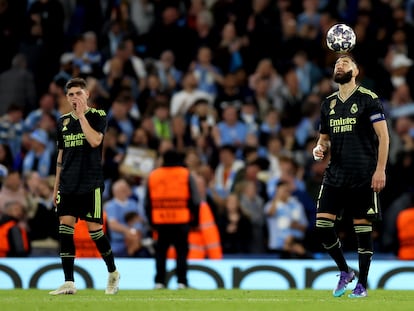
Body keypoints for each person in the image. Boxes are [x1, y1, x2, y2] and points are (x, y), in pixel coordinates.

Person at [312, 54, 389, 298]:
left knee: (362, 230)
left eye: (345, 63)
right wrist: (319, 148)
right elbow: (323, 138)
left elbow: (384, 137)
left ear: (355, 71)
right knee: (322, 226)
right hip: (335, 174)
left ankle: (362, 284)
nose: (340, 65)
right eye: (336, 63)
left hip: (363, 175)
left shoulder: (368, 99)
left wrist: (380, 170)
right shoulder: (328, 104)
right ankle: (345, 271)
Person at [49, 77, 120, 295]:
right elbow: (61, 156)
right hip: (68, 183)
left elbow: (95, 141)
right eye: (70, 94)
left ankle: (113, 272)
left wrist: (81, 117)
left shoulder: (98, 116)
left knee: (94, 231)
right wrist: (55, 187)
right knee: (65, 227)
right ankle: (69, 282)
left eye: (78, 93)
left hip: (90, 183)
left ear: (87, 94)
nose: (74, 98)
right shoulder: (62, 122)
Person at [144, 149, 201, 289]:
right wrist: (195, 220)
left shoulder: (154, 175)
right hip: (181, 220)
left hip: (160, 220)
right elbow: (195, 200)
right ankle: (182, 281)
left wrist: (151, 221)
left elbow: (147, 202)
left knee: (161, 252)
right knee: (181, 252)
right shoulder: (185, 174)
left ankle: (159, 282)